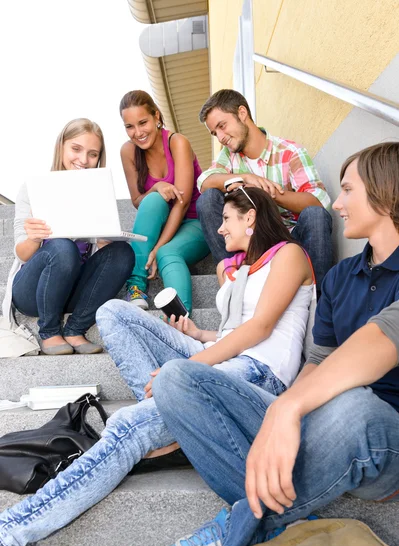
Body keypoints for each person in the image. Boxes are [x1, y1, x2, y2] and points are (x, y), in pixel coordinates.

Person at [0, 185, 315, 546]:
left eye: (227, 220)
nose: (219, 230)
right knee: (114, 312)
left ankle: (9, 532)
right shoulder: (237, 268)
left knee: (129, 426)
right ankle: (174, 427)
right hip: (219, 358)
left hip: (255, 375)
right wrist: (199, 334)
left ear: (251, 218)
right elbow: (230, 332)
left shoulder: (289, 255)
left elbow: (261, 328)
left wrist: (182, 371)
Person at [143, 141, 399, 546]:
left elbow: (379, 342)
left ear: (385, 192)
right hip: (317, 420)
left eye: (346, 190)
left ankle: (238, 527)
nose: (336, 203)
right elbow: (316, 363)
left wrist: (288, 411)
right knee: (179, 379)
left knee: (356, 405)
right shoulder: (340, 278)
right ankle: (274, 523)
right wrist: (285, 409)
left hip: (383, 440)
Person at [1, 119, 134, 355]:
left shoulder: (98, 193)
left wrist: (104, 242)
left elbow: (103, 263)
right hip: (32, 292)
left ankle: (75, 329)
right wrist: (34, 237)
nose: (83, 160)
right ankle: (49, 332)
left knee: (123, 252)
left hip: (74, 291)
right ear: (61, 146)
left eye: (92, 154)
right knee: (63, 247)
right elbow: (21, 253)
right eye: (76, 149)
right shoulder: (33, 188)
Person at [196, 88, 333, 293]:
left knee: (315, 215)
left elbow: (319, 202)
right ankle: (234, 286)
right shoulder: (229, 157)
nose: (221, 137)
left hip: (291, 239)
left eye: (222, 126)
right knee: (208, 199)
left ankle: (320, 304)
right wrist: (244, 178)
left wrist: (269, 192)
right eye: (215, 133)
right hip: (253, 244)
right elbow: (204, 181)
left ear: (242, 113)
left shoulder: (290, 152)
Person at [120, 90, 209, 314]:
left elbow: (182, 201)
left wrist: (157, 248)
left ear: (157, 117)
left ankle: (179, 321)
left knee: (166, 253)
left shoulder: (177, 142)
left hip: (192, 222)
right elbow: (138, 201)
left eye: (143, 122)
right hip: (159, 222)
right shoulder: (128, 151)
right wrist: (156, 187)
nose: (138, 132)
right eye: (130, 126)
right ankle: (136, 285)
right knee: (152, 201)